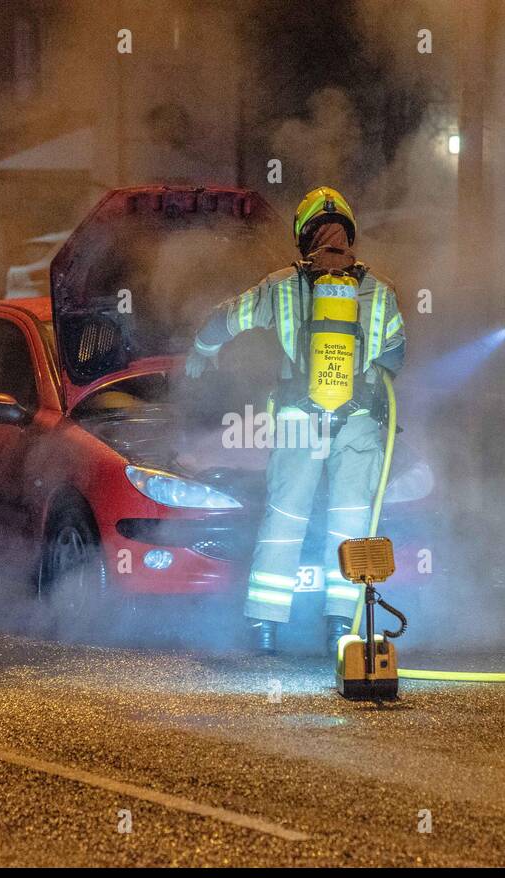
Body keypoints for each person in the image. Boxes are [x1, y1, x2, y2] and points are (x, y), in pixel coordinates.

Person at [185, 186, 406, 655]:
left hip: (298, 422)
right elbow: (395, 357)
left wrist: (203, 350)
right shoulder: (381, 291)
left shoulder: (281, 285)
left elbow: (227, 319)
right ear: (349, 233)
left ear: (304, 235)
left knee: (284, 519)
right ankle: (340, 631)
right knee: (350, 527)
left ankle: (265, 627)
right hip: (359, 424)